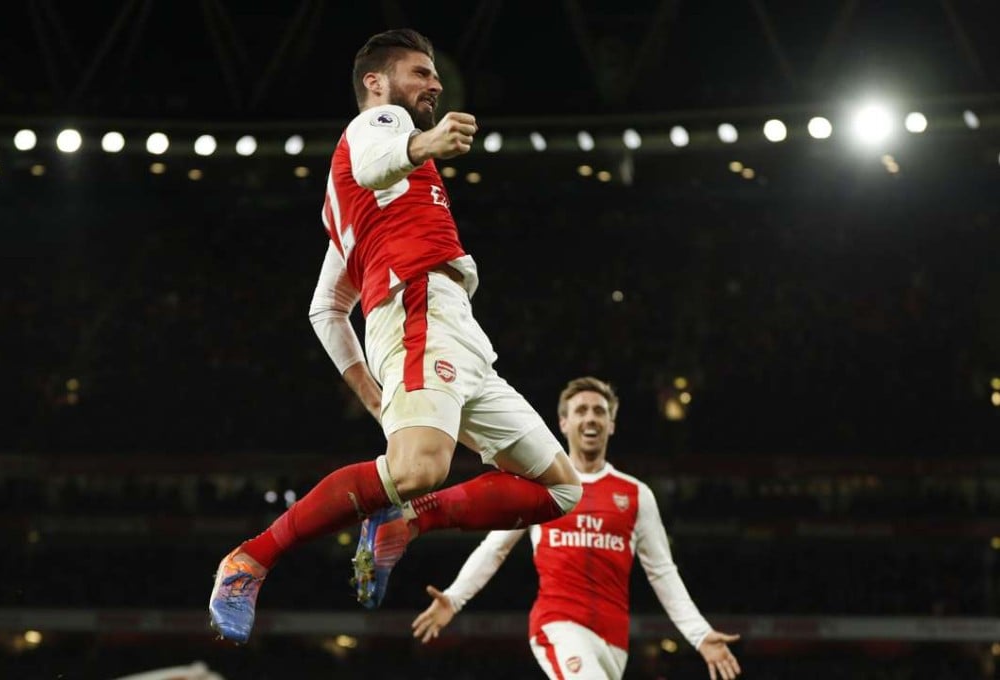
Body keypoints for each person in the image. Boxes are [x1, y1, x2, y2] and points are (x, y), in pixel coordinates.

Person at [207, 28, 582, 644]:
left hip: (458, 331)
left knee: (562, 489)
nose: (433, 83)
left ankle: (407, 522)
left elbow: (325, 308)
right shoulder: (374, 129)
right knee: (417, 468)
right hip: (416, 312)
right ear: (376, 84)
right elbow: (379, 154)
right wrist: (425, 141)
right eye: (419, 72)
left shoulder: (359, 199)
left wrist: (366, 389)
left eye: (434, 75)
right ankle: (250, 558)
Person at [410, 377, 742, 680]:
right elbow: (495, 549)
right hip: (558, 625)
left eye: (599, 411)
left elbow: (662, 572)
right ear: (564, 423)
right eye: (580, 410)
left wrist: (699, 634)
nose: (591, 418)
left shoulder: (635, 494)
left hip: (614, 644)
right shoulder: (542, 487)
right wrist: (454, 598)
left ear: (611, 424)